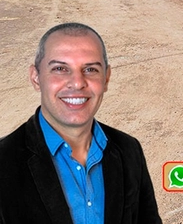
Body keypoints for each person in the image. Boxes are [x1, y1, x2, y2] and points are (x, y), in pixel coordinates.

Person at [0, 22, 161, 223]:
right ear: (36, 77)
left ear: (106, 78)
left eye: (91, 69)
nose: (77, 83)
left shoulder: (129, 150)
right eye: (60, 68)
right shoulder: (4, 161)